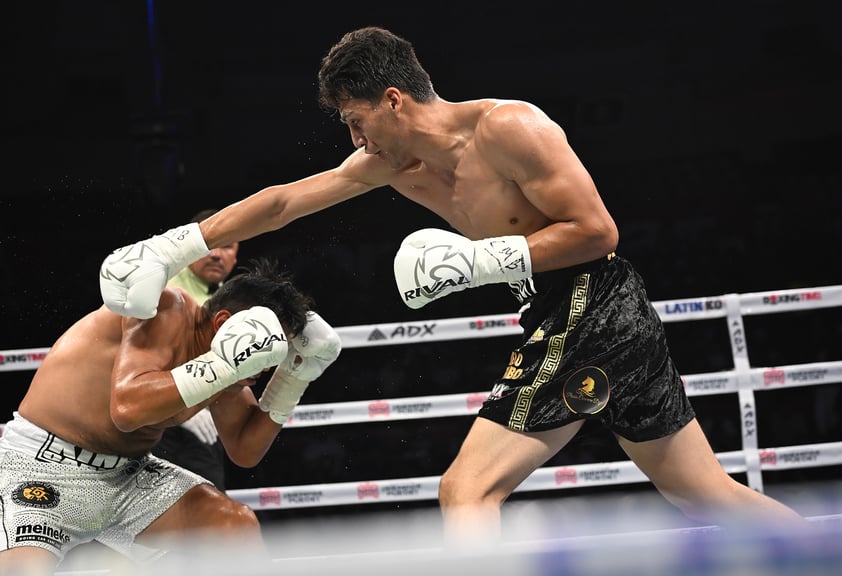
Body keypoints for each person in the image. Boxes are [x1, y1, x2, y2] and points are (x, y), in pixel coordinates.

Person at [97, 26, 807, 545]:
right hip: (580, 314)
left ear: (395, 99)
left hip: (593, 301)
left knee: (467, 490)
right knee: (700, 491)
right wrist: (175, 246)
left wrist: (481, 261)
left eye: (356, 120)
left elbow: (597, 231)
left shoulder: (510, 128)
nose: (354, 141)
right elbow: (284, 201)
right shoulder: (387, 165)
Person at [1, 258, 342, 574]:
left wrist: (295, 376)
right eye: (267, 348)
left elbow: (244, 449)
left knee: (235, 526)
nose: (267, 364)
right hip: (42, 466)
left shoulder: (229, 362)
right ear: (224, 322)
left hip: (128, 476)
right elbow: (127, 410)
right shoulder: (167, 309)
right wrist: (223, 366)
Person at [152, 208, 240, 491]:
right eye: (209, 245)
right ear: (190, 247)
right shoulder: (167, 291)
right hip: (159, 423)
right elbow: (147, 360)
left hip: (199, 415)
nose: (217, 254)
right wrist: (183, 406)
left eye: (227, 246)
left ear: (236, 255)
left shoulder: (225, 295)